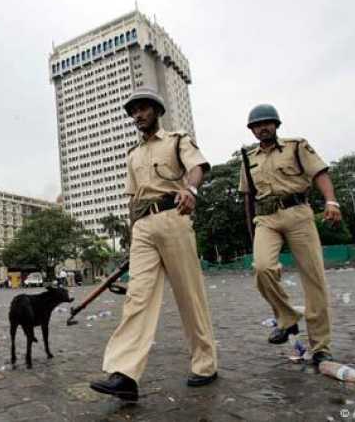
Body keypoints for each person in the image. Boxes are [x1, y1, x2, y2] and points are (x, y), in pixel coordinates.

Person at [90, 87, 218, 402]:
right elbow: (132, 198)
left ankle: (205, 363)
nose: (137, 115)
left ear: (156, 111)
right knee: (137, 298)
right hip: (143, 227)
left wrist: (191, 190)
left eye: (143, 109)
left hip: (174, 216)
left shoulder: (176, 140)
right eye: (133, 111)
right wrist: (133, 236)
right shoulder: (132, 155)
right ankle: (125, 374)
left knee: (189, 295)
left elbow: (196, 167)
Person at [239, 104, 340, 365]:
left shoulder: (296, 146)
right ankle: (287, 317)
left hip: (298, 214)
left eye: (267, 123)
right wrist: (252, 232)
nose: (263, 128)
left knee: (313, 279)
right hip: (266, 219)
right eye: (257, 125)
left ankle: (320, 347)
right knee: (262, 268)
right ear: (252, 130)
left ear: (276, 125)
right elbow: (248, 197)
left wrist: (331, 202)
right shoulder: (248, 158)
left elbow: (320, 173)